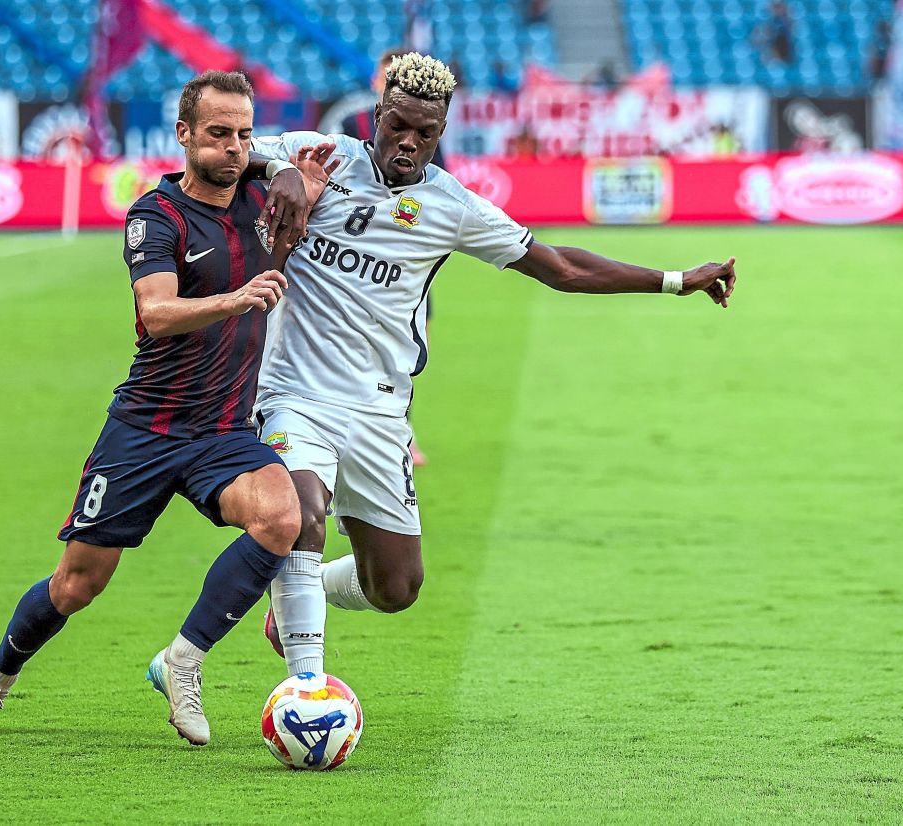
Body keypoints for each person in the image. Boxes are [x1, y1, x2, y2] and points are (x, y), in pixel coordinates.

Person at [248, 53, 737, 678]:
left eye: (426, 133)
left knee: (395, 587)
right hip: (295, 392)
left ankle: (297, 597)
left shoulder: (451, 207)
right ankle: (306, 688)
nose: (409, 142)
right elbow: (235, 154)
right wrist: (284, 167)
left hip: (378, 407)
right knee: (301, 514)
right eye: (398, 125)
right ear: (377, 115)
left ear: (442, 132)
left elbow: (560, 268)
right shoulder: (324, 155)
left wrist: (674, 280)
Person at [0, 70, 312, 746]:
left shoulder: (264, 197)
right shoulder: (156, 215)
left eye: (243, 135)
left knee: (280, 514)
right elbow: (158, 311)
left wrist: (291, 172)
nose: (232, 147)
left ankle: (184, 660)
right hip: (145, 428)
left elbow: (330, 166)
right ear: (183, 135)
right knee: (78, 585)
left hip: (223, 432)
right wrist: (235, 299)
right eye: (217, 134)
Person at [338, 48, 441, 466]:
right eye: (386, 76)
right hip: (356, 254)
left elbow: (437, 184)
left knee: (406, 348)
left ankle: (401, 427)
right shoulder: (350, 124)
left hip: (407, 258)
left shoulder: (425, 130)